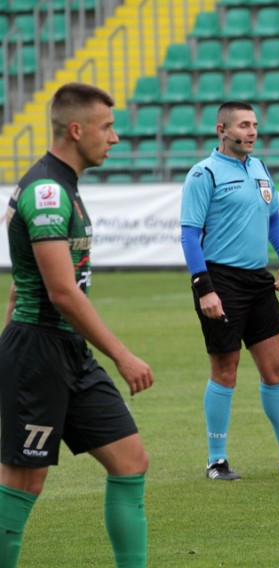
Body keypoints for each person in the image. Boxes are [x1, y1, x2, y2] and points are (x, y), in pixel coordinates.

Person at [0, 83, 153, 567]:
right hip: (39, 351)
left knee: (131, 462)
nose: (115, 137)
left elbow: (18, 286)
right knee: (25, 479)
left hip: (65, 351)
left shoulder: (63, 185)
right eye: (107, 127)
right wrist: (123, 355)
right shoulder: (48, 191)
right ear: (76, 129)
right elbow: (60, 292)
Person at [180, 101, 279, 480]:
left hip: (257, 279)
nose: (252, 132)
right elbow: (189, 234)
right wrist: (205, 288)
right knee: (225, 369)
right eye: (244, 126)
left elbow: (273, 217)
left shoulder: (260, 167)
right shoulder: (204, 174)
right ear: (222, 130)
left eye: (254, 125)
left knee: (277, 368)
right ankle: (216, 460)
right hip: (221, 281)